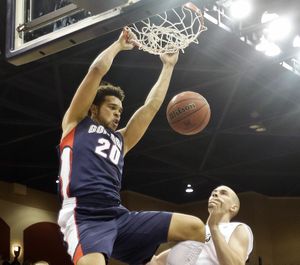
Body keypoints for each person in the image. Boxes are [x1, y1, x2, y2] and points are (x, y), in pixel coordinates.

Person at [57, 27, 205, 265]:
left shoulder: (121, 139)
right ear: (93, 108)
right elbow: (96, 71)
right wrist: (118, 46)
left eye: (120, 110)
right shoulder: (75, 125)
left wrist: (168, 66)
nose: (117, 114)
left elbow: (151, 107)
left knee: (195, 227)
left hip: (118, 215)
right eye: (111, 107)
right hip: (84, 215)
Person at [147, 185, 253, 265]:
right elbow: (157, 261)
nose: (215, 195)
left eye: (223, 193)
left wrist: (214, 227)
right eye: (213, 193)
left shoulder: (238, 228)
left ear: (233, 207)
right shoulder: (197, 232)